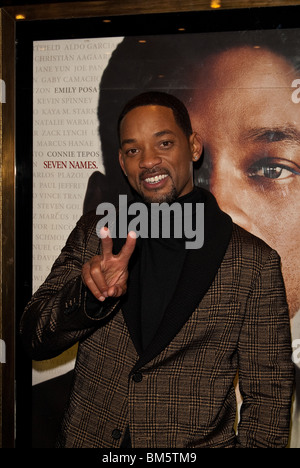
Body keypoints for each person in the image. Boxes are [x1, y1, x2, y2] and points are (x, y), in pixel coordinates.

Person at [20, 91, 294, 448]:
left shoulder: (252, 262)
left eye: (164, 143)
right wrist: (87, 297)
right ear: (121, 161)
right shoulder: (98, 232)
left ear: (193, 147)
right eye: (133, 150)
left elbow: (269, 399)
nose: (149, 161)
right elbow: (33, 336)